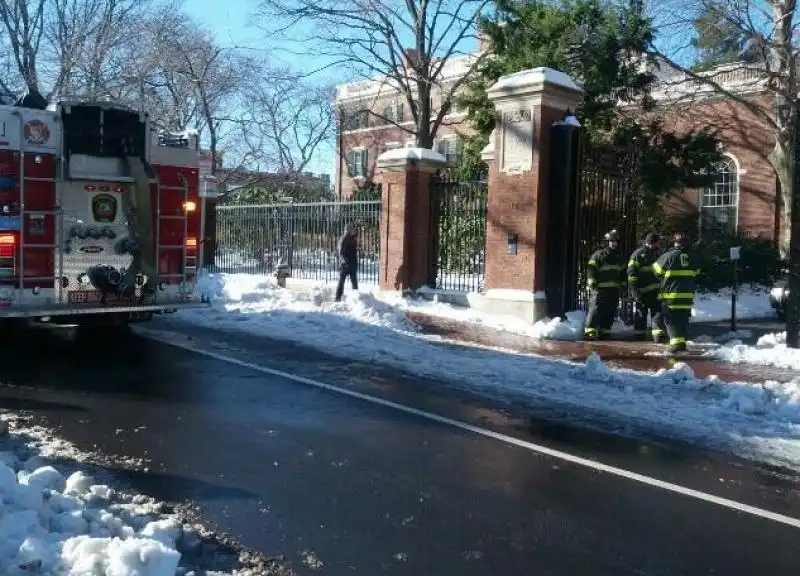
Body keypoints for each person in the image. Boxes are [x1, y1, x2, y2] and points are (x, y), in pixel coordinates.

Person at [652, 231, 701, 354]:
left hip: (671, 297)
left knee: (671, 320)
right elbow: (697, 272)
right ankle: (682, 341)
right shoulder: (693, 257)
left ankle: (676, 345)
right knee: (683, 318)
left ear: (675, 243)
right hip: (687, 297)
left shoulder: (669, 256)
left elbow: (656, 270)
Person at [584, 229, 624, 340]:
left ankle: (605, 330)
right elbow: (591, 269)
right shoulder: (598, 255)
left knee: (610, 310)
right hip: (600, 289)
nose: (614, 243)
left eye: (616, 241)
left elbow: (622, 272)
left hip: (613, 290)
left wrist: (624, 283)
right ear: (607, 242)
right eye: (612, 241)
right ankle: (590, 330)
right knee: (595, 309)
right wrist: (591, 281)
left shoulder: (618, 257)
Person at [627, 232, 665, 342]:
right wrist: (635, 292)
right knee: (640, 316)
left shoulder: (658, 254)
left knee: (657, 313)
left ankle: (658, 335)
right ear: (651, 243)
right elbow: (631, 275)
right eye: (657, 243)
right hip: (642, 293)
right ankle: (639, 336)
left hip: (656, 292)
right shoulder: (638, 255)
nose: (658, 245)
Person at [335, 224, 359, 302]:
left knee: (354, 282)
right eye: (352, 230)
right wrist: (344, 261)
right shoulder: (344, 238)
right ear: (348, 231)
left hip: (352, 263)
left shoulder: (353, 238)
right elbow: (340, 252)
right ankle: (338, 298)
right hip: (345, 265)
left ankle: (356, 298)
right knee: (342, 281)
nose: (353, 231)